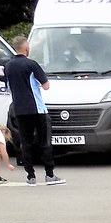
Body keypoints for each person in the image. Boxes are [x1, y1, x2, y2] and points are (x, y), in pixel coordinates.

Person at [5, 35, 66, 185]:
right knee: (44, 141)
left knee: (25, 143)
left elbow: (7, 87)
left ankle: (30, 176)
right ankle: (49, 174)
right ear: (26, 48)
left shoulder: (8, 66)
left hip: (19, 109)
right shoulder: (31, 64)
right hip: (37, 109)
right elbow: (46, 85)